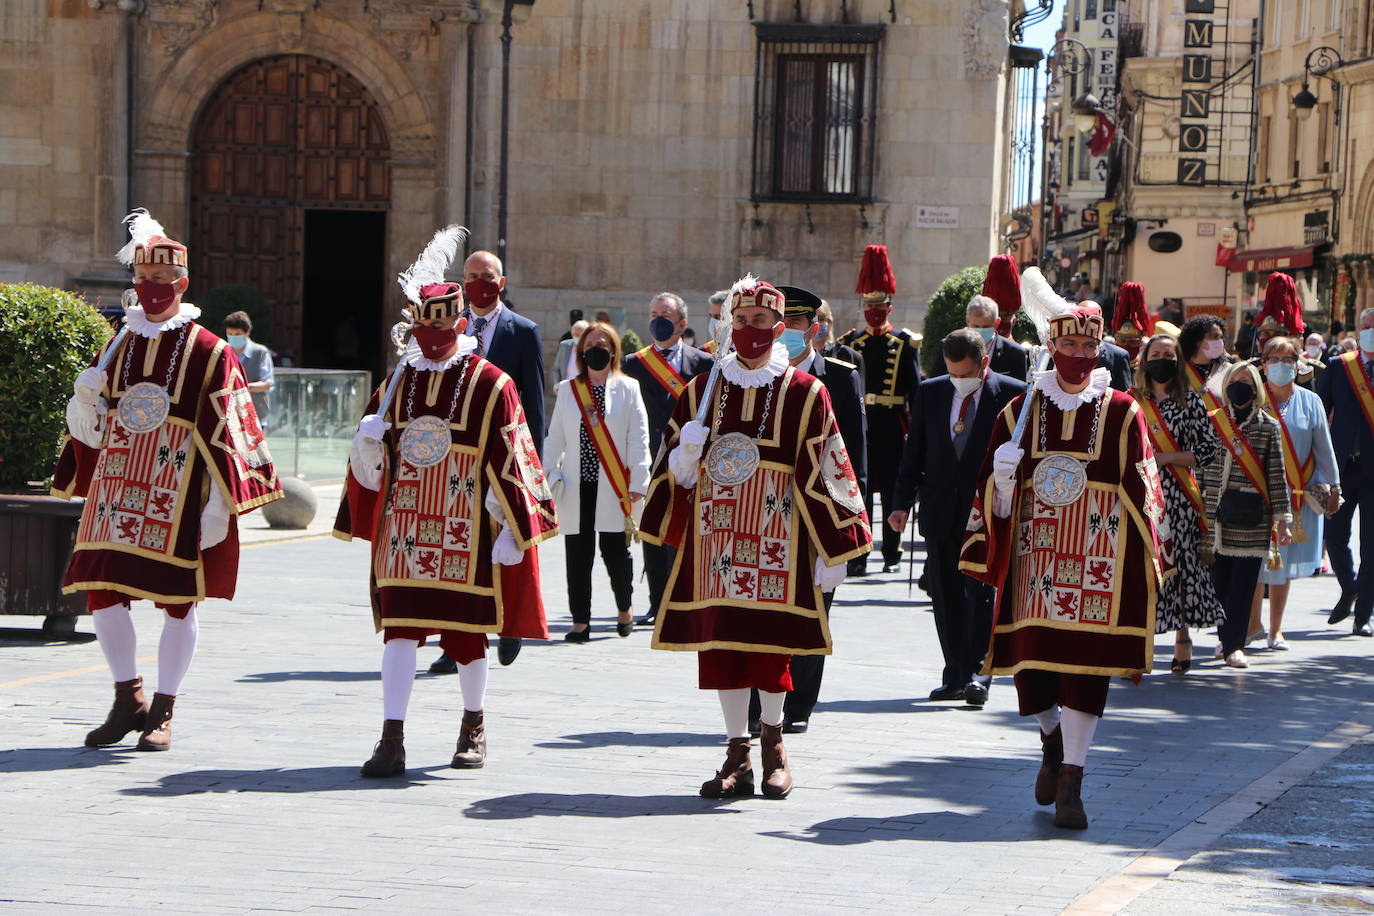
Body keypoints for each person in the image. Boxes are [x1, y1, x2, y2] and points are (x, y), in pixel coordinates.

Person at [52, 208, 283, 751]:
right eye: (142, 278)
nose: (151, 288)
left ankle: (164, 707)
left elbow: (235, 428)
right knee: (101, 591)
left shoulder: (210, 351)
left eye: (161, 279)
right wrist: (83, 402)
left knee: (179, 600)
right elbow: (93, 424)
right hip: (114, 491)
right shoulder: (118, 342)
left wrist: (221, 504)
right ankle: (126, 697)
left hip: (177, 495)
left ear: (182, 283)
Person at [334, 226, 557, 777]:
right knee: (400, 631)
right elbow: (372, 469)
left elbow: (514, 455)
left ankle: (473, 724)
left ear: (460, 324)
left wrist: (513, 527)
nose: (432, 337)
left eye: (441, 326)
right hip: (404, 532)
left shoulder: (491, 383)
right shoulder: (397, 382)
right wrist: (366, 444)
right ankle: (391, 736)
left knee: (467, 633)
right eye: (423, 327)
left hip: (466, 531)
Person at [640, 275, 872, 799]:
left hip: (779, 542)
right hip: (716, 543)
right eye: (741, 320)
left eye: (761, 320)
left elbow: (830, 466)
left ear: (779, 325)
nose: (750, 329)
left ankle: (773, 743)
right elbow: (671, 470)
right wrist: (683, 456)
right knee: (721, 646)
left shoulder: (806, 392)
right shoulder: (702, 391)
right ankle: (736, 751)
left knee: (772, 647)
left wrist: (836, 546)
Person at [959, 268, 1167, 830]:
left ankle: (1073, 777)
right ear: (1050, 347)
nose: (1077, 356)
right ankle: (1051, 740)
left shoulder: (1121, 411)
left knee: (1085, 672)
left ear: (1098, 350)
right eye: (1068, 346)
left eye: (1086, 347)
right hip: (1037, 563)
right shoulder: (1019, 412)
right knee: (1033, 670)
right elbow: (989, 494)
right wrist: (1002, 484)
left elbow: (1144, 484)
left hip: (1100, 564)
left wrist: (1152, 554)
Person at [744, 284, 868, 733]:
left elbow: (853, 458)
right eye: (784, 323)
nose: (788, 332)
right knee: (761, 610)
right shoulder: (753, 375)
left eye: (796, 323)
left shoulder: (841, 376)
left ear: (813, 329)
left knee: (813, 611)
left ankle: (799, 707)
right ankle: (758, 705)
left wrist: (850, 534)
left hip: (819, 516)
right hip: (766, 513)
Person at [891, 328, 1026, 706]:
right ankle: (954, 675)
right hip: (939, 511)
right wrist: (900, 504)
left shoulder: (1013, 394)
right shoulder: (931, 392)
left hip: (986, 513)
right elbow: (914, 453)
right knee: (945, 595)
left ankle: (979, 673)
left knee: (981, 593)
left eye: (965, 374)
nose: (959, 381)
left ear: (983, 363)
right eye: (952, 373)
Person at [429, 247, 545, 673]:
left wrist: (533, 469)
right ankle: (455, 642)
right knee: (458, 549)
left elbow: (534, 405)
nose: (480, 283)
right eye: (472, 276)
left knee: (508, 544)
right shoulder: (449, 328)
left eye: (488, 276)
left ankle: (509, 625)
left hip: (505, 461)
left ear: (502, 282)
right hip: (458, 462)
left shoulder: (524, 331)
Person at [543, 322, 651, 641]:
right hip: (576, 485)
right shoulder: (568, 390)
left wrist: (639, 481)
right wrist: (548, 475)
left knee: (615, 553)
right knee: (577, 554)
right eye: (589, 345)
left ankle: (624, 608)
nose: (595, 350)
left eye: (602, 344)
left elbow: (638, 438)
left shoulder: (628, 388)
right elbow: (555, 438)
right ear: (580, 351)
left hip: (615, 486)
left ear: (614, 351)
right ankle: (580, 621)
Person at [1131, 333, 1224, 674]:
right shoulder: (1130, 400)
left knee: (1181, 566)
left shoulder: (1191, 401)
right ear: (1145, 359)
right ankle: (1137, 644)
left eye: (1168, 355)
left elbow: (1208, 450)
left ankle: (1182, 638)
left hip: (1179, 497)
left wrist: (1167, 458)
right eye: (1155, 354)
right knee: (1140, 569)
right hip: (1139, 495)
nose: (1162, 360)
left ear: (1178, 360)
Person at [622, 291, 712, 627]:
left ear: (681, 323)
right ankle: (657, 603)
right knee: (652, 529)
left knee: (687, 528)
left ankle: (687, 599)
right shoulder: (633, 363)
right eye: (654, 315)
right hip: (649, 457)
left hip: (688, 458)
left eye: (665, 316)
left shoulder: (702, 363)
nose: (658, 321)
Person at [1200, 361, 1292, 667]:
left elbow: (1276, 475)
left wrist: (1283, 520)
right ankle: (1225, 638)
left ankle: (1235, 645)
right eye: (1234, 382)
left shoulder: (1268, 426)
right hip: (1215, 516)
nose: (1239, 387)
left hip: (1252, 518)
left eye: (1246, 383)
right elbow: (1199, 468)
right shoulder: (1211, 421)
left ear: (1255, 389)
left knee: (1243, 585)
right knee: (1219, 583)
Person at [1251, 336, 1340, 649]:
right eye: (1274, 360)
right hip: (1258, 493)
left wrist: (1334, 485)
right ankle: (1252, 625)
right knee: (1255, 563)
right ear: (1263, 365)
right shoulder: (1254, 398)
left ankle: (1276, 629)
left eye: (1288, 359)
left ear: (1298, 364)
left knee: (1283, 564)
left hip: (1298, 495)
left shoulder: (1310, 401)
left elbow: (1323, 447)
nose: (1281, 365)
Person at [842, 244, 922, 574]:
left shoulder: (905, 343)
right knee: (858, 487)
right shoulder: (851, 343)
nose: (874, 311)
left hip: (892, 422)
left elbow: (915, 391)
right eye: (869, 306)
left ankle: (891, 550)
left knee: (891, 487)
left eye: (879, 306)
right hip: (860, 422)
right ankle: (859, 553)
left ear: (889, 307)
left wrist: (918, 430)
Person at [1319, 306, 1374, 637]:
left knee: (1371, 546)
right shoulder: (1340, 366)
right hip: (1340, 468)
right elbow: (1320, 413)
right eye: (1366, 326)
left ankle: (1363, 615)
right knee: (1334, 536)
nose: (1370, 332)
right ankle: (1350, 587)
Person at [927, 295, 1030, 382]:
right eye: (976, 326)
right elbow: (936, 385)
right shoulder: (948, 346)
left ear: (996, 323)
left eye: (986, 327)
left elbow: (1019, 392)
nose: (980, 331)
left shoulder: (1015, 353)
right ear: (967, 321)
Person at [223, 310, 275, 425]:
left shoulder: (260, 352)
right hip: (229, 416)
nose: (233, 337)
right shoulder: (223, 352)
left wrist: (242, 387)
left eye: (237, 334)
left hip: (256, 416)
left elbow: (267, 384)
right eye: (230, 334)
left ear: (247, 332)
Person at [702, 289, 729, 353]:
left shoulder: (748, 351)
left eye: (718, 316)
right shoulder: (703, 352)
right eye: (710, 316)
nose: (713, 322)